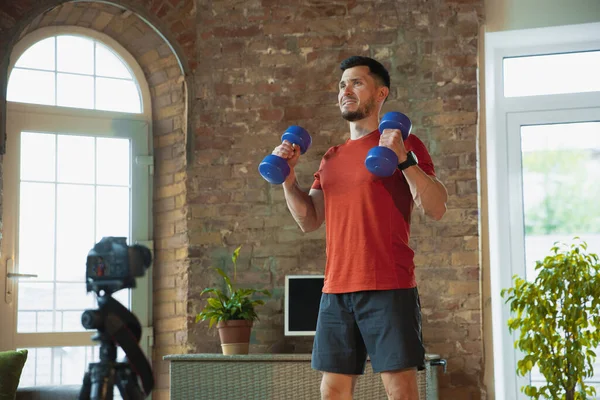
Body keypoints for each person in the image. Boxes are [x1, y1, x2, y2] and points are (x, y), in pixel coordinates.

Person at [271, 56, 448, 400]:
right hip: (336, 289)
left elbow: (437, 207)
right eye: (341, 85)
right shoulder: (331, 157)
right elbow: (309, 220)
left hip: (387, 282)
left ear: (381, 93)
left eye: (356, 83)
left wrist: (402, 159)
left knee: (400, 392)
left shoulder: (403, 144)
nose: (345, 91)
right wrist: (288, 180)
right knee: (332, 391)